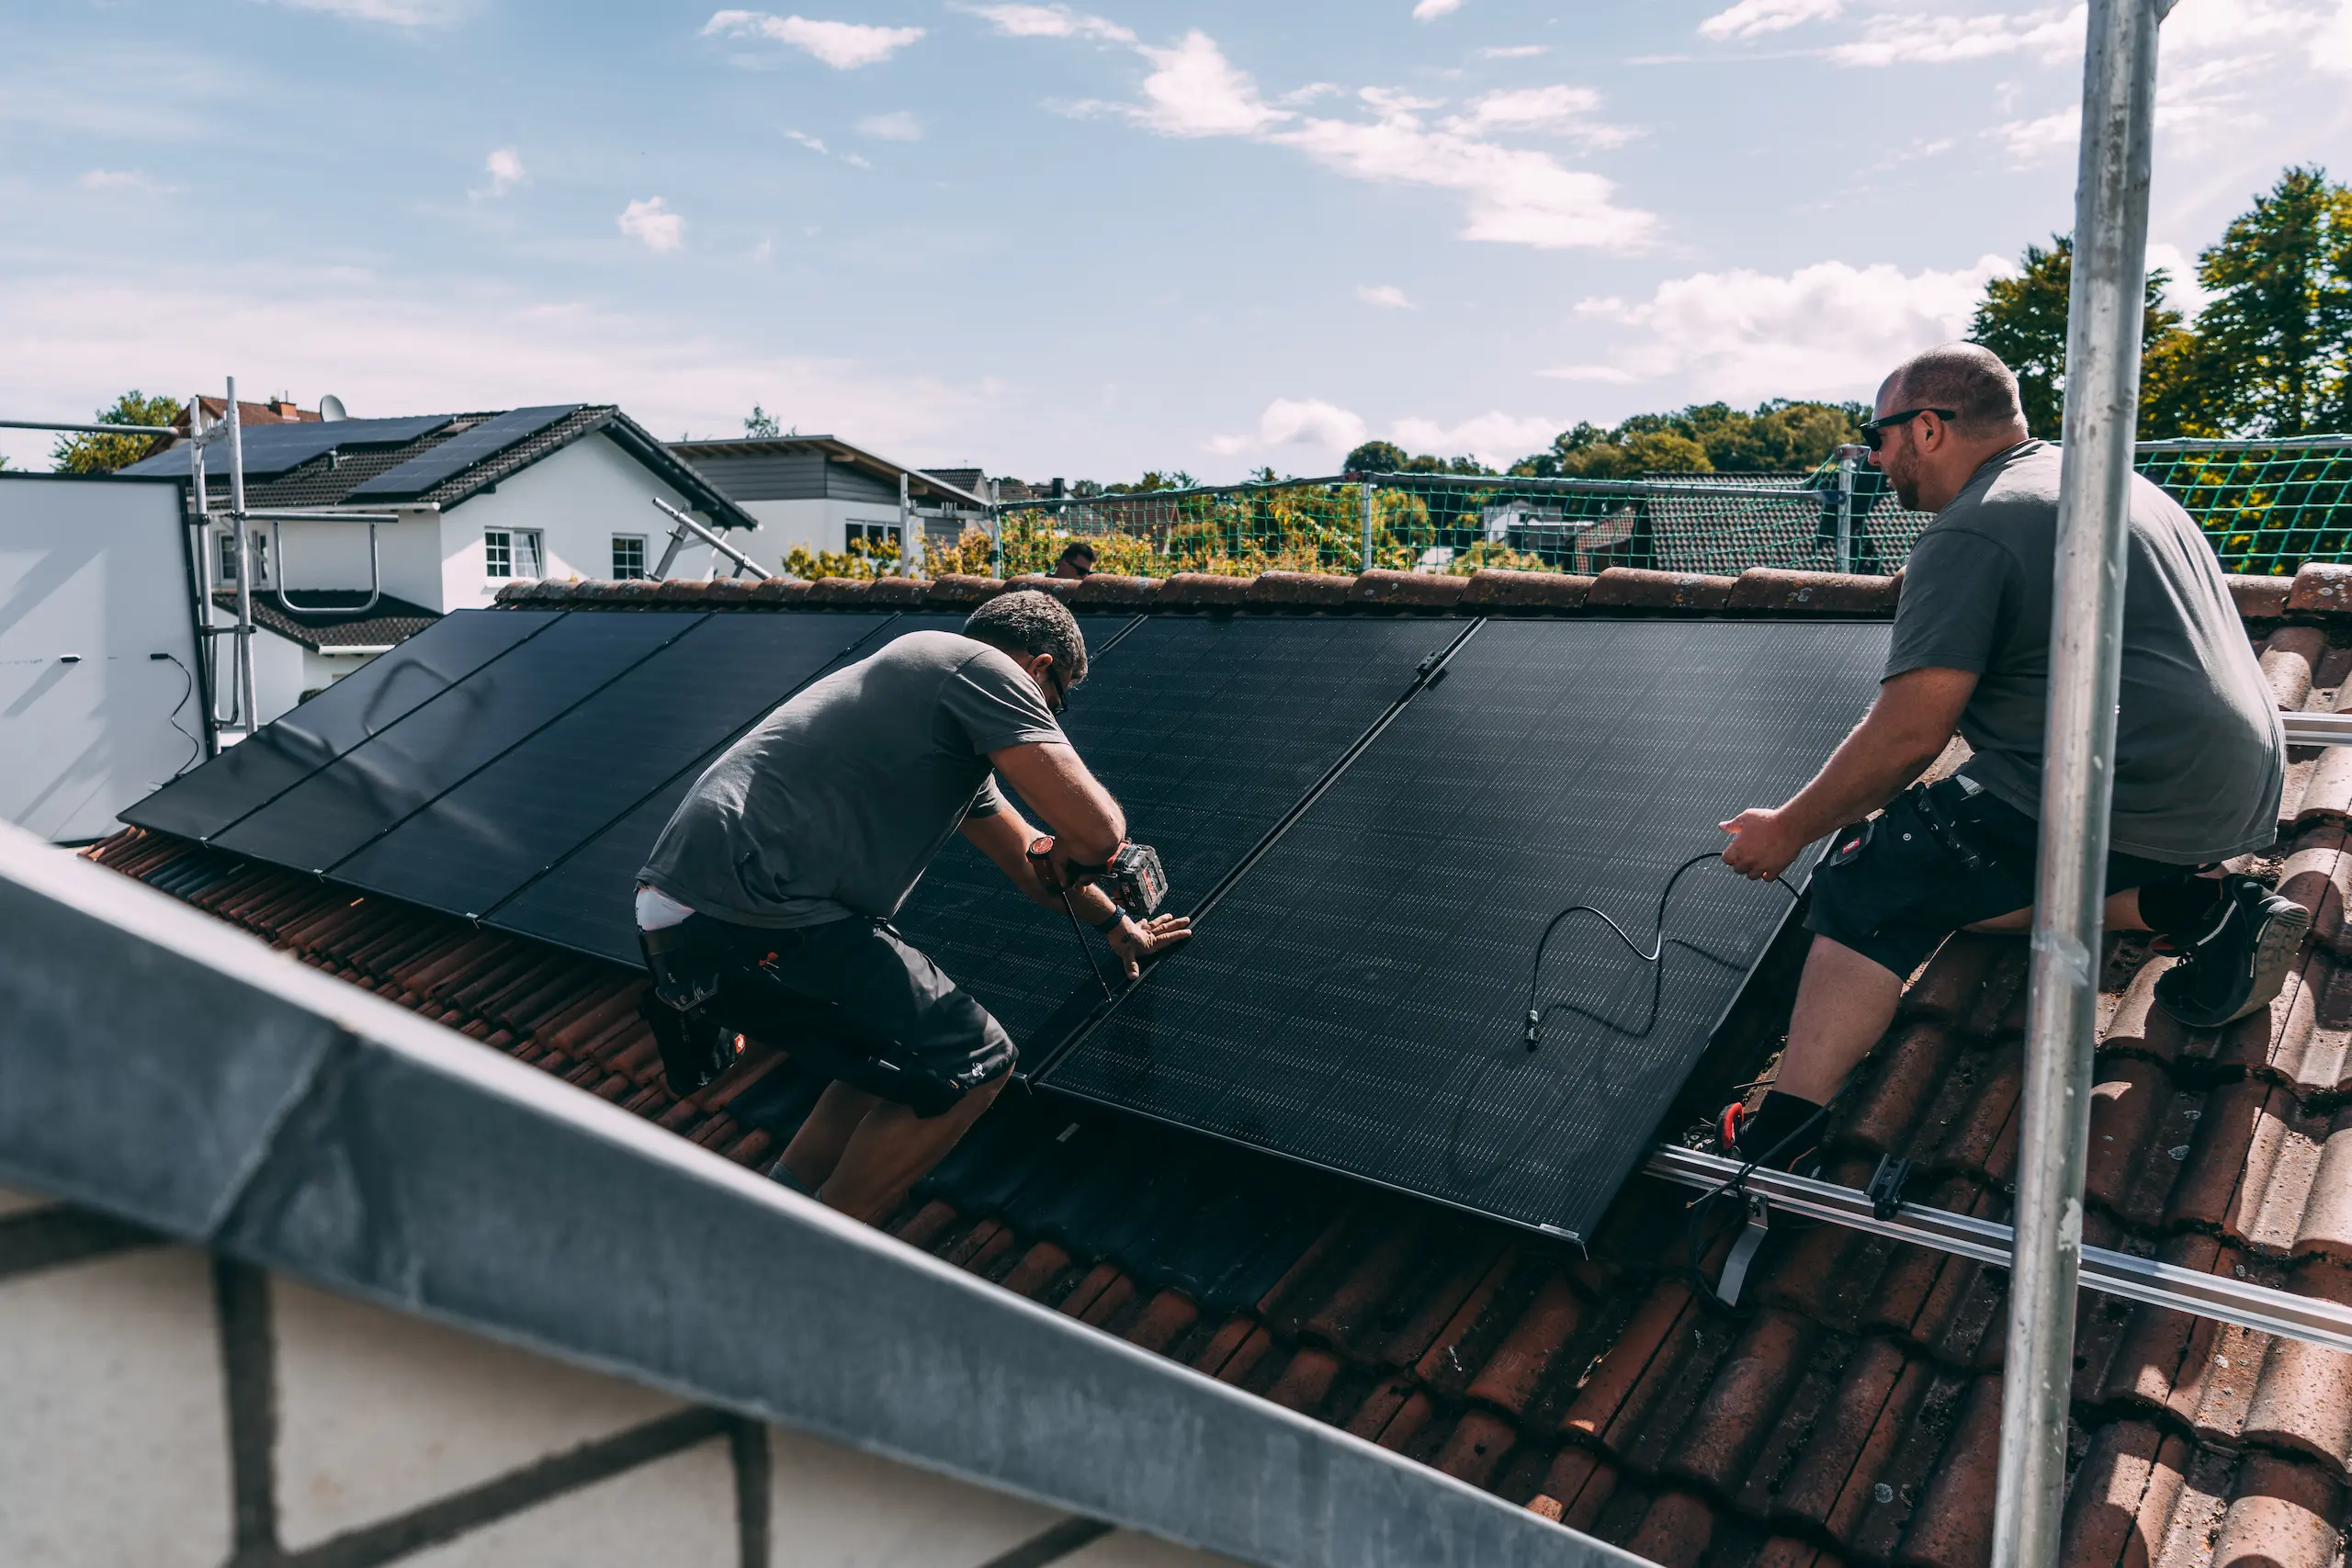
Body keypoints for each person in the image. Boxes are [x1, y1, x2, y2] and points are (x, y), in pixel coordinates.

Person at [1717, 343, 2295, 1172]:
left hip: (2133, 785)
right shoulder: (2106, 480)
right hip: (2233, 787)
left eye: (1877, 437)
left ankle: (1778, 1138)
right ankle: (2197, 906)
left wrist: (1788, 828)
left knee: (1871, 873)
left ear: (1927, 428)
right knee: (1956, 886)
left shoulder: (1974, 527)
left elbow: (1910, 734)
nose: (1872, 458)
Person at [632, 590, 1191, 1222]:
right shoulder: (980, 669)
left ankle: (777, 1212)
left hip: (691, 910)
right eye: (1058, 698)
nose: (1054, 712)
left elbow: (1029, 864)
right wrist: (1083, 848)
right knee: (977, 1060)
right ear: (1037, 668)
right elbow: (1099, 831)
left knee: (891, 1060)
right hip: (753, 904)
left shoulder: (931, 694)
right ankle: (811, 1255)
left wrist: (1118, 923)